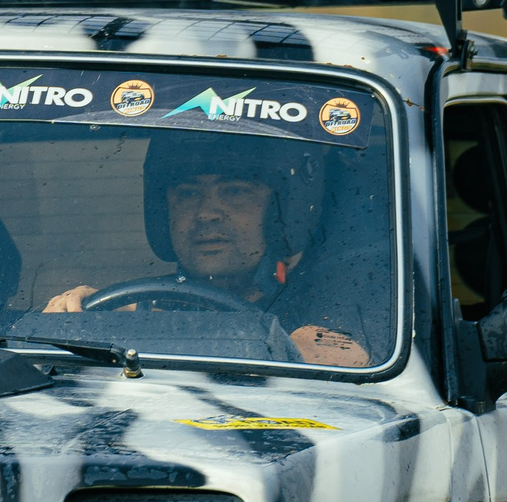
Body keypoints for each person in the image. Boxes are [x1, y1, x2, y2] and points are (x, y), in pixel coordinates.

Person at [43, 140, 371, 368]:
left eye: (235, 191)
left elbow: (332, 364)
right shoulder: (140, 302)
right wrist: (85, 316)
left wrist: (137, 321)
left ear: (278, 211)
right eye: (187, 194)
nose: (206, 213)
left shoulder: (331, 302)